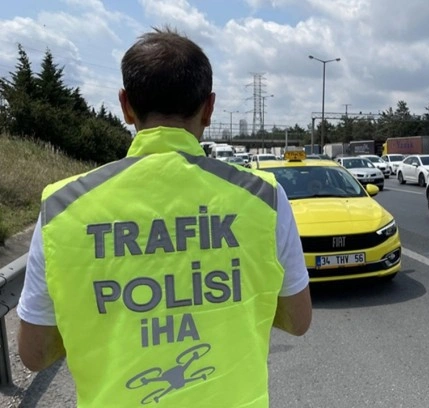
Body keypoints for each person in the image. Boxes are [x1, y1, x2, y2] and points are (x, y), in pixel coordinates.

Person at [16, 27, 312, 407]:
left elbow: (34, 355)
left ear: (125, 106)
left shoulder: (62, 206)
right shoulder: (263, 197)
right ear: (209, 108)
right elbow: (297, 320)